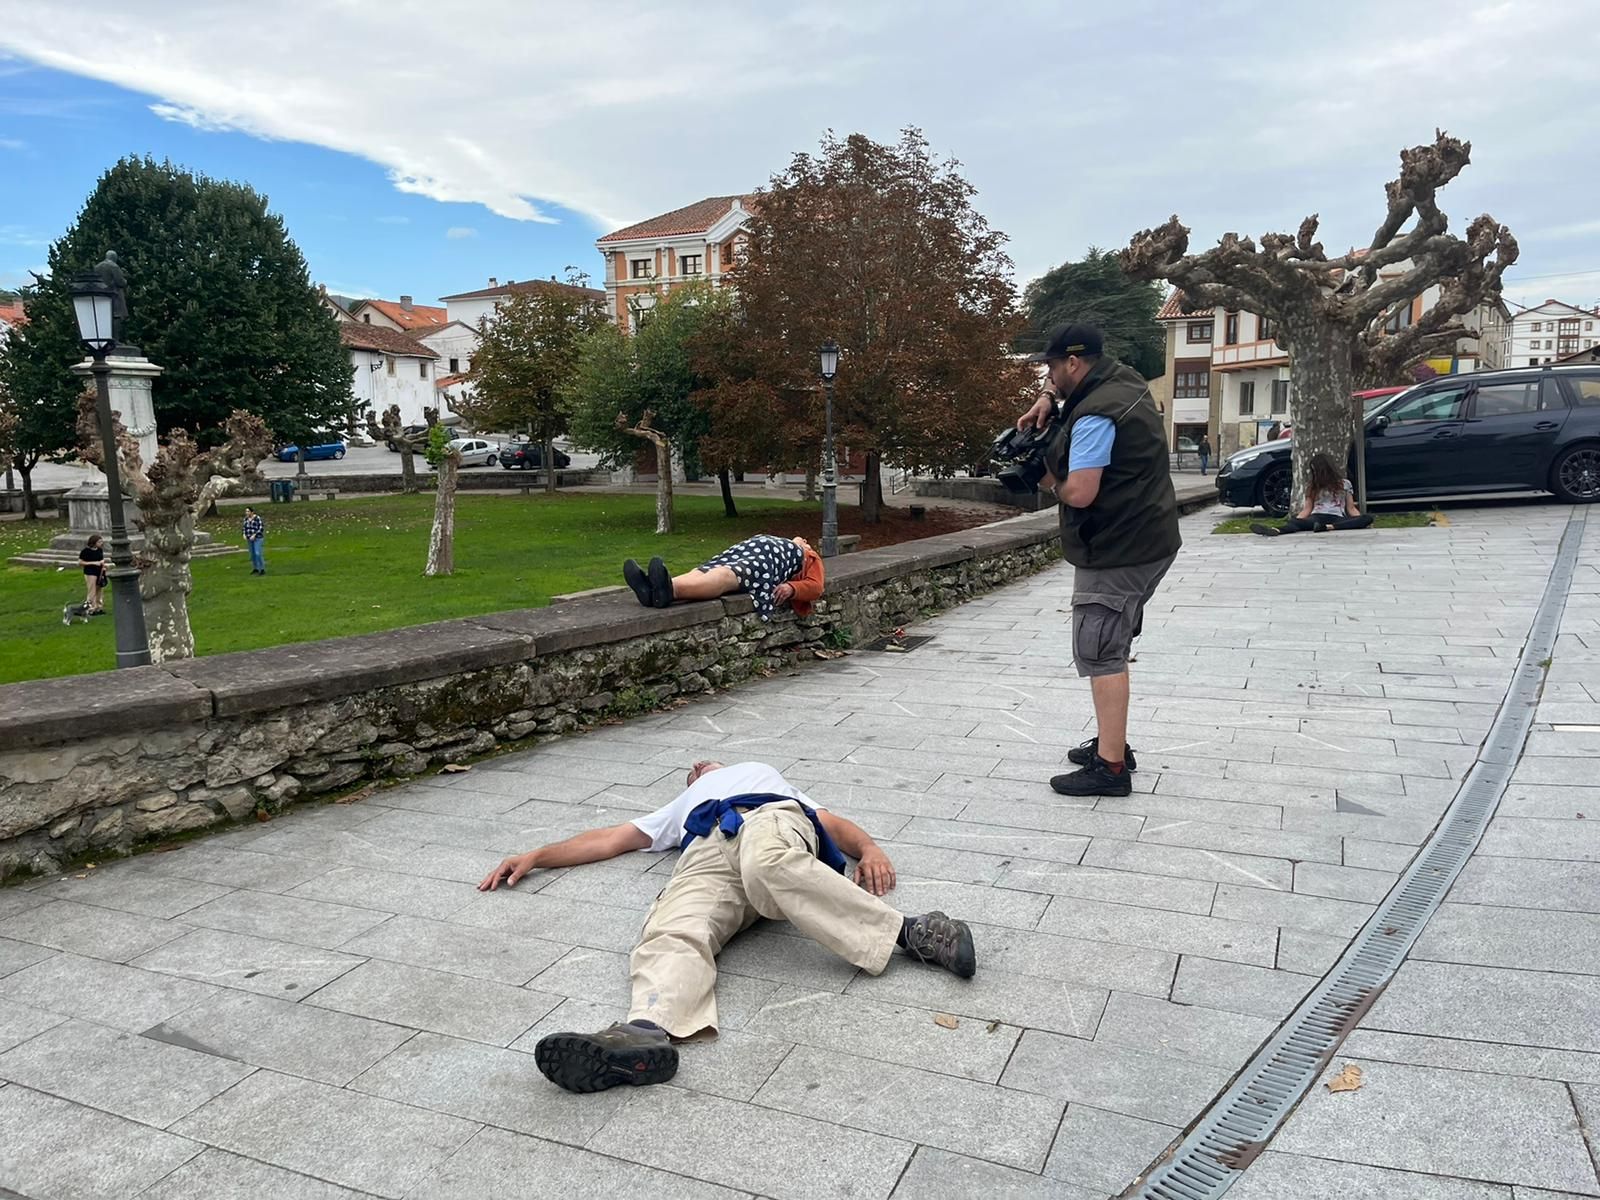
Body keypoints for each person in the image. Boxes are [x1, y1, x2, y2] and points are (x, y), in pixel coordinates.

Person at [479, 759, 977, 1094]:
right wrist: (537, 855)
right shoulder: (679, 809)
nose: (698, 767)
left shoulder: (761, 774)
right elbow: (610, 839)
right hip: (706, 851)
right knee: (673, 926)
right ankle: (644, 1033)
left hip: (769, 821)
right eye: (692, 771)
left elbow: (832, 823)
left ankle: (911, 932)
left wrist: (869, 849)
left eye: (704, 764)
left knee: (768, 866)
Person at [1016, 322, 1182, 798]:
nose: (1047, 374)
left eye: (1051, 366)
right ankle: (1114, 743)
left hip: (1117, 546)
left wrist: (1046, 480)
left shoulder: (1094, 417)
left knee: (1099, 649)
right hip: (1149, 536)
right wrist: (1049, 397)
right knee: (1111, 641)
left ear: (1074, 363)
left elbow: (1083, 493)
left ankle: (1110, 769)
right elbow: (1067, 386)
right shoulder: (1121, 380)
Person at [622, 534, 823, 623]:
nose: (803, 540)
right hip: (751, 549)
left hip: (766, 562)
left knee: (728, 574)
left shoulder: (809, 558)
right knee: (706, 569)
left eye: (805, 541)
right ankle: (653, 589)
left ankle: (670, 590)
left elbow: (816, 587)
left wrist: (791, 587)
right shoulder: (790, 543)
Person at [1251, 453, 1374, 537]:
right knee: (1295, 522)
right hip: (1316, 518)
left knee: (1367, 518)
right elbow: (1307, 509)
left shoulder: (1345, 484)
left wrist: (1359, 519)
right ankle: (1276, 530)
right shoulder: (1313, 486)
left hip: (1335, 518)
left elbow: (1351, 508)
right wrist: (1297, 521)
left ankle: (1327, 527)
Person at [77, 535, 107, 616]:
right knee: (92, 590)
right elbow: (80, 562)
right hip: (90, 572)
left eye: (101, 541)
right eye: (99, 542)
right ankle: (91, 608)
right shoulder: (86, 551)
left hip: (99, 571)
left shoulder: (100, 550)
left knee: (100, 589)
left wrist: (103, 565)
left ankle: (99, 607)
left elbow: (101, 559)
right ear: (94, 543)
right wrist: (93, 563)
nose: (101, 543)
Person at [242, 506, 266, 575]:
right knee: (252, 554)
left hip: (257, 538)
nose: (247, 513)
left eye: (248, 511)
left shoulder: (257, 518)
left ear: (252, 512)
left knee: (257, 553)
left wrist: (255, 535)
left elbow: (261, 528)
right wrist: (244, 534)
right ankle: (255, 568)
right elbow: (244, 528)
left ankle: (262, 569)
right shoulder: (246, 519)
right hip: (249, 539)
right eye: (246, 511)